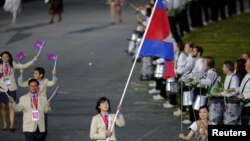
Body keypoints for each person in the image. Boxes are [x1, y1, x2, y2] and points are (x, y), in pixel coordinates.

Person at [0, 51, 37, 132]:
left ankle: (11, 125)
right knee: (3, 106)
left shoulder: (12, 64)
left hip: (12, 88)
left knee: (11, 106)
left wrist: (33, 60)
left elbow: (23, 66)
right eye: (3, 57)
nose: (5, 58)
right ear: (1, 58)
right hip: (2, 89)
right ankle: (4, 123)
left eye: (6, 56)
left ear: (9, 57)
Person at [18, 67, 57, 140]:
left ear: (41, 75)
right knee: (32, 122)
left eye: (36, 73)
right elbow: (21, 84)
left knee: (43, 124)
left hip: (42, 104)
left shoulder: (45, 81)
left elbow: (53, 83)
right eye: (34, 73)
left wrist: (54, 75)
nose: (34, 74)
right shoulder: (31, 81)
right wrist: (21, 74)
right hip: (32, 103)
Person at [236, 59, 250, 125]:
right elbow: (243, 88)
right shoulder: (247, 75)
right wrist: (235, 89)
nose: (244, 64)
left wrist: (245, 95)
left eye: (246, 63)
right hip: (244, 105)